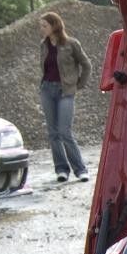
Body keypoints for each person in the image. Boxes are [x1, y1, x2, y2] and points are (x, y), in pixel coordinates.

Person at [36, 11, 92, 183]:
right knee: (53, 133)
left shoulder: (71, 44)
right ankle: (61, 169)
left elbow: (86, 65)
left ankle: (80, 169)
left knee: (64, 131)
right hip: (47, 90)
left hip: (65, 92)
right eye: (41, 26)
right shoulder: (43, 45)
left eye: (44, 25)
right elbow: (45, 68)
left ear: (54, 26)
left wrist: (78, 84)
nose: (42, 29)